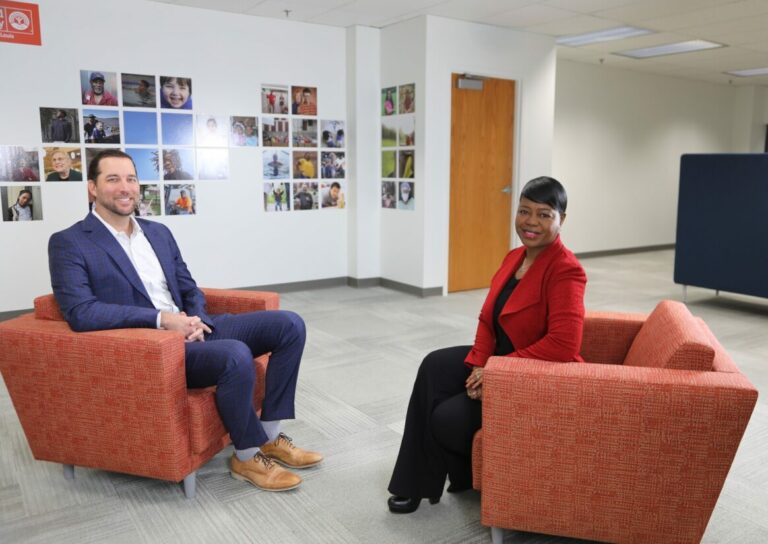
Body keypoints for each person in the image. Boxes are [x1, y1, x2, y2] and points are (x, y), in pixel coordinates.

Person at [48, 150, 322, 492]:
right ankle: (247, 456)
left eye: (131, 179)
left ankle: (268, 437)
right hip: (153, 347)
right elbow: (82, 312)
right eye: (113, 179)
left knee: (289, 325)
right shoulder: (69, 242)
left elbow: (188, 286)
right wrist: (162, 321)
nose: (125, 188)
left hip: (192, 329)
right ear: (92, 187)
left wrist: (196, 320)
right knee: (235, 354)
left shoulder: (157, 232)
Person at [387, 176, 587, 513]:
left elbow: (563, 345)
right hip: (500, 359)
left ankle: (464, 474)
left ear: (561, 219)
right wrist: (480, 363)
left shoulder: (566, 270)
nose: (531, 222)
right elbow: (486, 319)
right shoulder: (514, 258)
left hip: (537, 375)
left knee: (447, 419)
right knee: (434, 365)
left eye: (543, 215)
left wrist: (496, 370)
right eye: (524, 211)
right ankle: (415, 484)